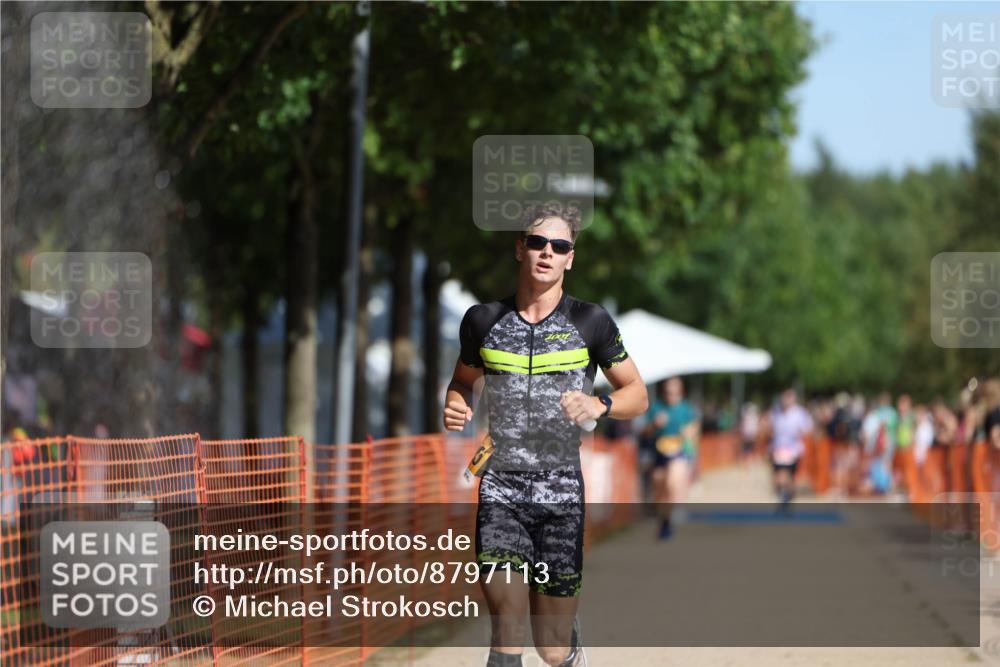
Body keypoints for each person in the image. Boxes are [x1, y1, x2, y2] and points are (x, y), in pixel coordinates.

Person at [443, 202, 648, 667]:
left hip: (561, 495)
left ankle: (569, 649)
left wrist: (601, 404)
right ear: (520, 248)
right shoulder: (482, 321)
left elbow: (638, 393)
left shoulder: (591, 323)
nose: (547, 253)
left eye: (559, 246)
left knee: (551, 648)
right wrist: (457, 401)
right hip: (501, 488)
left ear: (570, 258)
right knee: (507, 626)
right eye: (537, 242)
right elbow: (462, 381)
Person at [643, 377, 700, 539]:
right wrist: (655, 425)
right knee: (660, 489)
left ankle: (675, 510)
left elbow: (695, 425)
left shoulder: (686, 408)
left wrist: (690, 431)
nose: (671, 396)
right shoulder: (657, 408)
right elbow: (645, 432)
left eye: (675, 393)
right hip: (659, 454)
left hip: (679, 452)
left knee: (673, 480)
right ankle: (665, 521)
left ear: (681, 392)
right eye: (668, 393)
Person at [768, 388, 813, 510]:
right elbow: (770, 427)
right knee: (778, 477)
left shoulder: (799, 413)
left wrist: (799, 432)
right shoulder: (776, 412)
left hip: (793, 450)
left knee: (788, 477)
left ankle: (787, 497)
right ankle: (784, 496)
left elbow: (807, 429)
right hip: (777, 449)